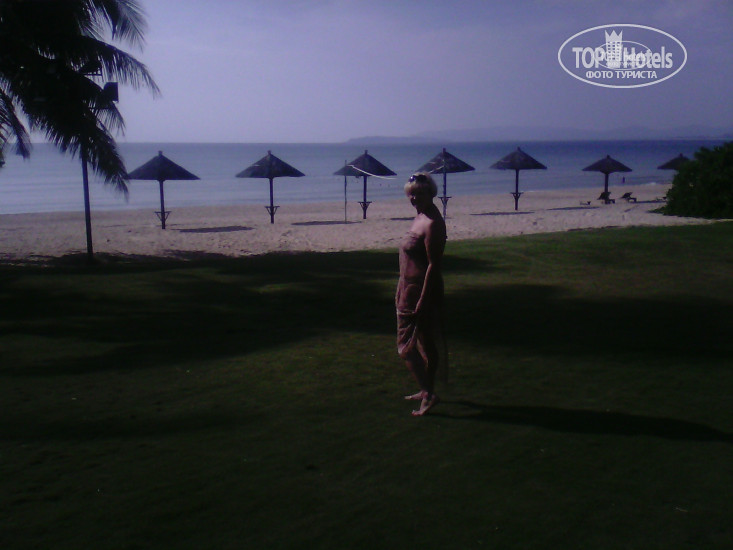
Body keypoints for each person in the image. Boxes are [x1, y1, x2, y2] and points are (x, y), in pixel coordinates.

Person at [396, 172, 448, 416]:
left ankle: (428, 393)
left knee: (405, 347)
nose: (413, 198)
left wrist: (423, 299)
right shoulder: (421, 216)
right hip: (407, 287)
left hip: (419, 291)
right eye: (411, 194)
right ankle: (427, 389)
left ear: (430, 193)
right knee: (423, 342)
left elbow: (433, 265)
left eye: (418, 193)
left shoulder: (433, 223)